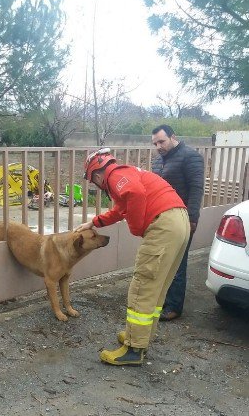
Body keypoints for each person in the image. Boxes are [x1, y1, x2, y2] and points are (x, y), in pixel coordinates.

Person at [78, 148, 190, 366]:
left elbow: (136, 195)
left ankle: (133, 348)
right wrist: (94, 223)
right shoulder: (126, 173)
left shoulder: (116, 176)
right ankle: (141, 335)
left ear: (97, 175)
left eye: (93, 181)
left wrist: (137, 228)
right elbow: (122, 208)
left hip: (163, 225)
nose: (97, 185)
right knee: (157, 287)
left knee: (143, 286)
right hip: (178, 221)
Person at [151, 125, 204, 321]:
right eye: (155, 143)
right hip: (162, 219)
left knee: (178, 263)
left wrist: (192, 219)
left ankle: (174, 307)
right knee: (163, 260)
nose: (158, 146)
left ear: (173, 137)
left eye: (162, 141)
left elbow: (196, 189)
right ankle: (163, 300)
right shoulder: (158, 161)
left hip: (182, 219)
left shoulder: (191, 157)